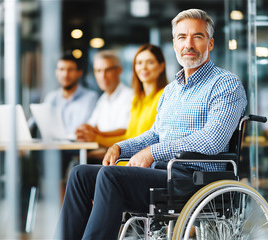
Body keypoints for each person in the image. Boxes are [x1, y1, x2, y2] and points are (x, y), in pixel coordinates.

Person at [55, 9, 247, 239]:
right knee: (80, 175)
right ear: (174, 43)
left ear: (211, 43)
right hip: (163, 174)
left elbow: (213, 140)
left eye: (197, 36)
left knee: (110, 176)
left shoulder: (225, 84)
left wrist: (153, 152)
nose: (189, 44)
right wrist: (120, 147)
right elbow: (155, 134)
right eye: (182, 37)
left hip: (196, 180)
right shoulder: (171, 91)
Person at [76, 44, 168, 152]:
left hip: (143, 162)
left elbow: (146, 142)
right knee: (79, 167)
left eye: (150, 62)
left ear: (161, 66)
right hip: (130, 158)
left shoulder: (164, 96)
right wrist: (95, 134)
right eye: (139, 63)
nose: (143, 67)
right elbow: (128, 138)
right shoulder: (137, 100)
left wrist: (97, 137)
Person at [74, 50, 133, 160]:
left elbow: (125, 130)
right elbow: (92, 126)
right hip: (100, 148)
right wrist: (84, 130)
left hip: (117, 152)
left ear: (119, 70)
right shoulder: (103, 99)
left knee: (77, 161)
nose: (102, 76)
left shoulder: (129, 96)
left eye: (107, 70)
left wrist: (97, 135)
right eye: (98, 71)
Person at [42, 52, 98, 138]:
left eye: (70, 70)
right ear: (56, 72)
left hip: (78, 148)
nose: (65, 74)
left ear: (79, 73)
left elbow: (88, 129)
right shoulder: (51, 98)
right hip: (53, 148)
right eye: (61, 69)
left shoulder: (91, 98)